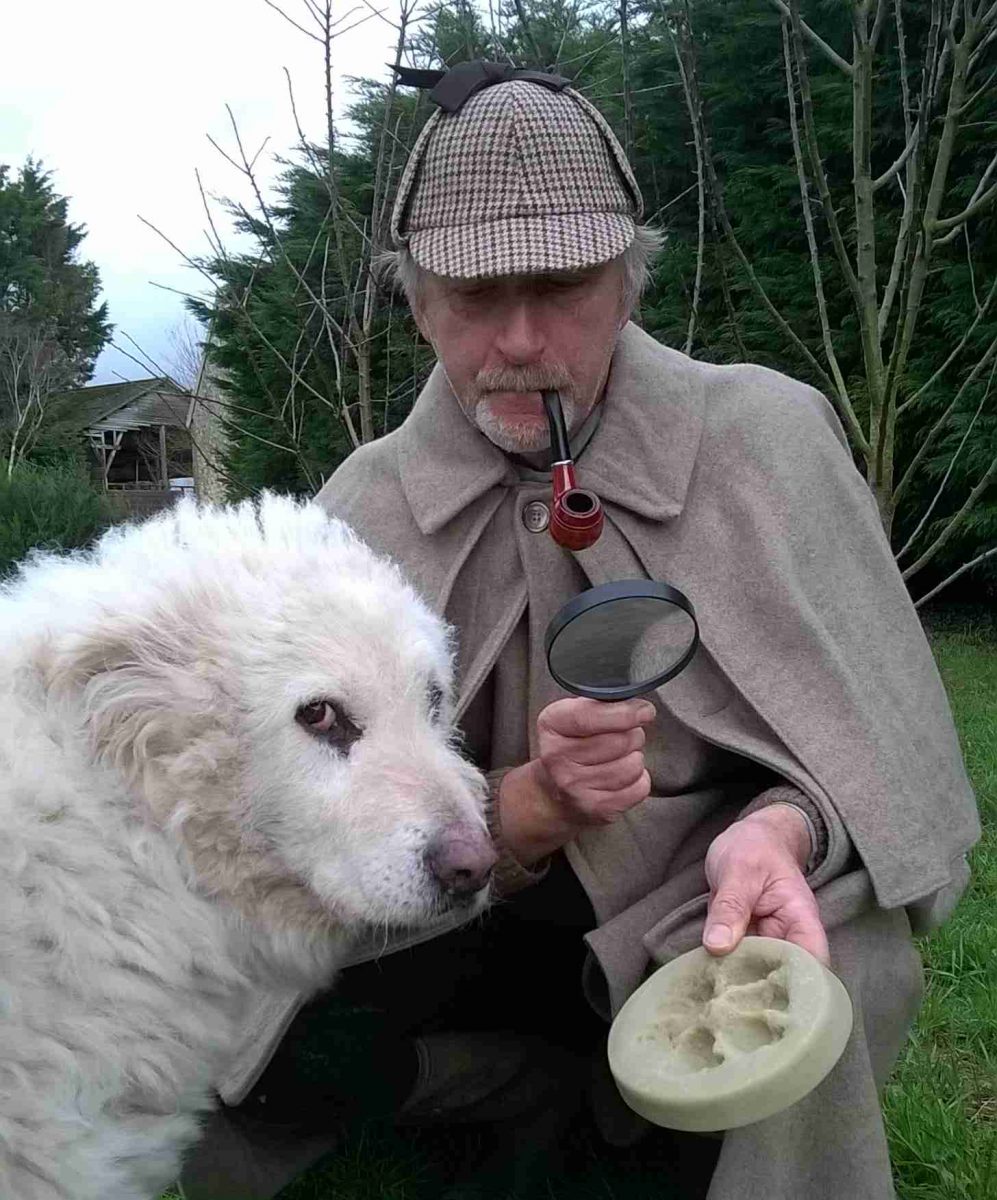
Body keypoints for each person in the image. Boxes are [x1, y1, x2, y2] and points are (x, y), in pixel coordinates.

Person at [179, 61, 980, 1200]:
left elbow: (878, 749)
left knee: (824, 948)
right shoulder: (360, 509)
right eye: (471, 296)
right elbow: (265, 819)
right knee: (236, 992)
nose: (517, 340)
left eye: (560, 287)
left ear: (626, 282)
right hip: (462, 915)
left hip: (699, 905)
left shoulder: (765, 437)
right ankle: (483, 1084)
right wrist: (521, 809)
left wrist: (785, 831)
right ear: (418, 305)